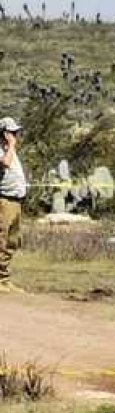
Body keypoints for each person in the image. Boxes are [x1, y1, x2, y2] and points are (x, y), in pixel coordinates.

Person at [0, 117, 27, 293]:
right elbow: (5, 164)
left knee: (12, 240)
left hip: (16, 200)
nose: (15, 135)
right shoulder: (5, 150)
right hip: (4, 199)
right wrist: (11, 145)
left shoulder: (9, 149)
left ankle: (4, 278)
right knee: (1, 239)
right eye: (12, 132)